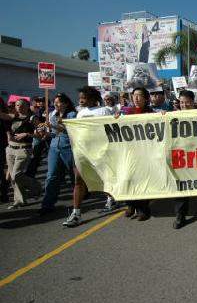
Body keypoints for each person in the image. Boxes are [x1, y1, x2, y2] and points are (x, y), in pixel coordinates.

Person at [62, 87, 114, 227]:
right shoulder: (81, 113)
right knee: (78, 180)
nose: (80, 100)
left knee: (106, 177)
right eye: (80, 98)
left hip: (100, 151)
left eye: (83, 97)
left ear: (92, 98)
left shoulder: (104, 111)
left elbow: (110, 129)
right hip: (82, 152)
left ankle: (111, 198)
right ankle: (76, 213)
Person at [172, 90, 197, 229]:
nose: (184, 105)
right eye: (181, 102)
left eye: (187, 102)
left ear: (193, 102)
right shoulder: (173, 115)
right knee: (181, 185)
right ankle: (180, 215)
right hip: (182, 156)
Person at [118, 87, 156, 221]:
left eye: (139, 96)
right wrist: (115, 119)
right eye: (134, 95)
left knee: (142, 181)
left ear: (146, 99)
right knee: (127, 178)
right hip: (129, 152)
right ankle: (130, 204)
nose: (136, 98)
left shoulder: (152, 113)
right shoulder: (126, 112)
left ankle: (143, 209)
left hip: (145, 152)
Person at [38, 93, 77, 215]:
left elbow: (70, 130)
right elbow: (52, 133)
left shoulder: (72, 114)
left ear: (65, 103)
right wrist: (43, 131)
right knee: (51, 175)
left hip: (69, 147)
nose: (55, 104)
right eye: (55, 102)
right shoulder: (52, 115)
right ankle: (47, 204)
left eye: (58, 102)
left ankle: (81, 195)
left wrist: (53, 126)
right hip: (54, 146)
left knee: (73, 175)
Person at [0, 99, 42, 209]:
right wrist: (8, 134)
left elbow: (40, 135)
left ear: (27, 106)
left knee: (15, 175)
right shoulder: (13, 117)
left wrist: (27, 134)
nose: (19, 107)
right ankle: (19, 200)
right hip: (10, 149)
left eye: (22, 105)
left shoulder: (33, 118)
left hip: (23, 149)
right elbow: (3, 117)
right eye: (17, 105)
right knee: (13, 178)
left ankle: (37, 187)